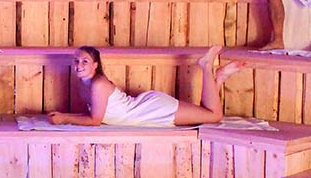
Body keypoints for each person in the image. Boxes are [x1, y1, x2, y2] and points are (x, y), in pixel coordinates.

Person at [47, 45, 243, 127]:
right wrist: (65, 115)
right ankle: (218, 79)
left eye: (85, 61)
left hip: (151, 111)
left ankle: (206, 66)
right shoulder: (85, 83)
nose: (79, 66)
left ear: (95, 65)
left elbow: (95, 120)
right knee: (206, 114)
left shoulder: (98, 84)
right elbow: (95, 113)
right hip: (145, 108)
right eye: (76, 61)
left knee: (214, 116)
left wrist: (65, 118)